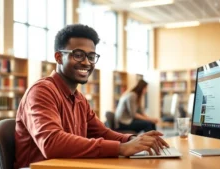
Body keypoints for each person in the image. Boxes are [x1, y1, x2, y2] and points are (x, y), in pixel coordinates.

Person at [14, 24, 168, 169]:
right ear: (59, 57)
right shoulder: (41, 91)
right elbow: (52, 143)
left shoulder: (79, 98)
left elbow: (102, 133)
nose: (87, 62)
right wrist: (121, 148)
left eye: (91, 56)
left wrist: (133, 140)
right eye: (78, 55)